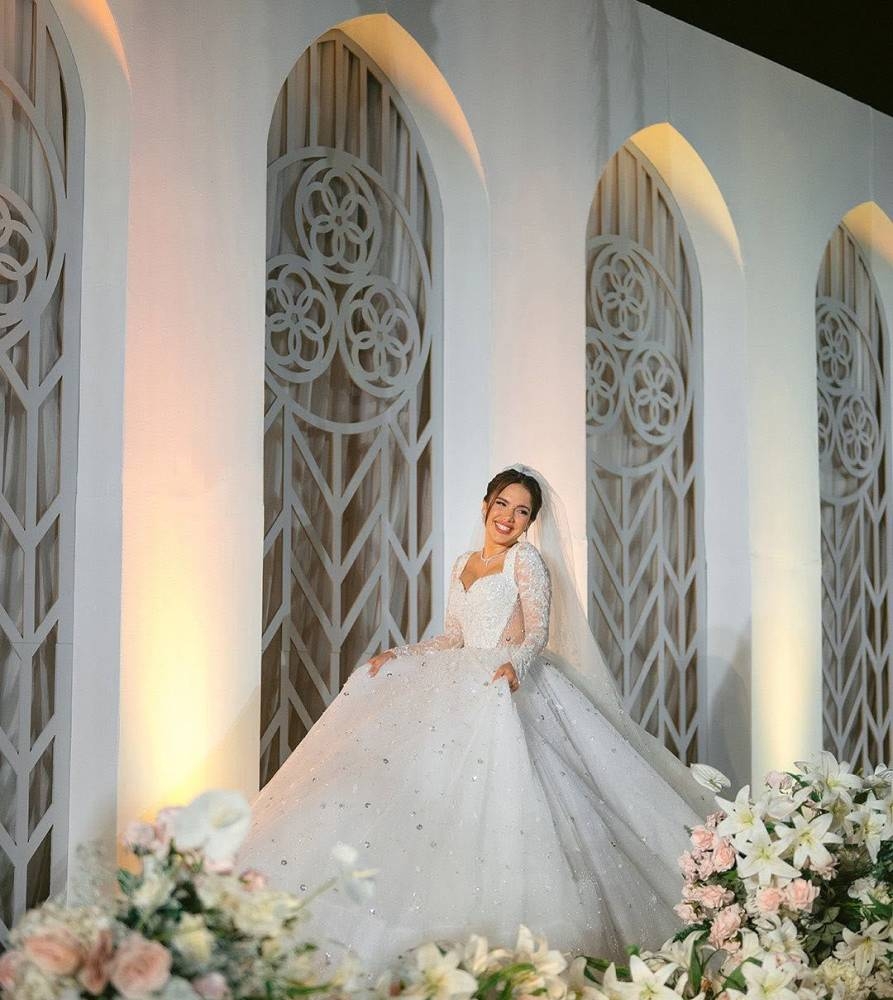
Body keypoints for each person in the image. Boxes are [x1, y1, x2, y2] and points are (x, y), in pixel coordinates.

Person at [239, 465, 711, 966]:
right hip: (463, 677)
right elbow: (453, 637)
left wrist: (516, 666)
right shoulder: (463, 562)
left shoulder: (525, 560)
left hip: (509, 679)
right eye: (502, 504)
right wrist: (402, 654)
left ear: (530, 522)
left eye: (522, 511)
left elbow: (537, 633)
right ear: (486, 505)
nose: (509, 517)